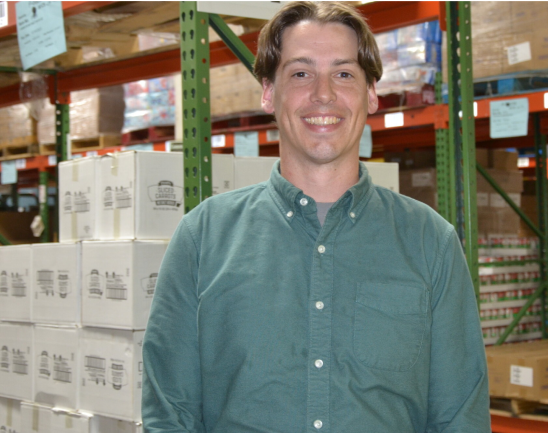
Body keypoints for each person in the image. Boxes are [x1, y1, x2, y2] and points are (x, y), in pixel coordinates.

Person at [142, 2, 490, 432]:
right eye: (301, 73)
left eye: (343, 74)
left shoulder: (430, 241)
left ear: (371, 94)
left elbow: (460, 416)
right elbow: (170, 415)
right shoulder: (203, 238)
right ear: (268, 92)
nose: (323, 93)